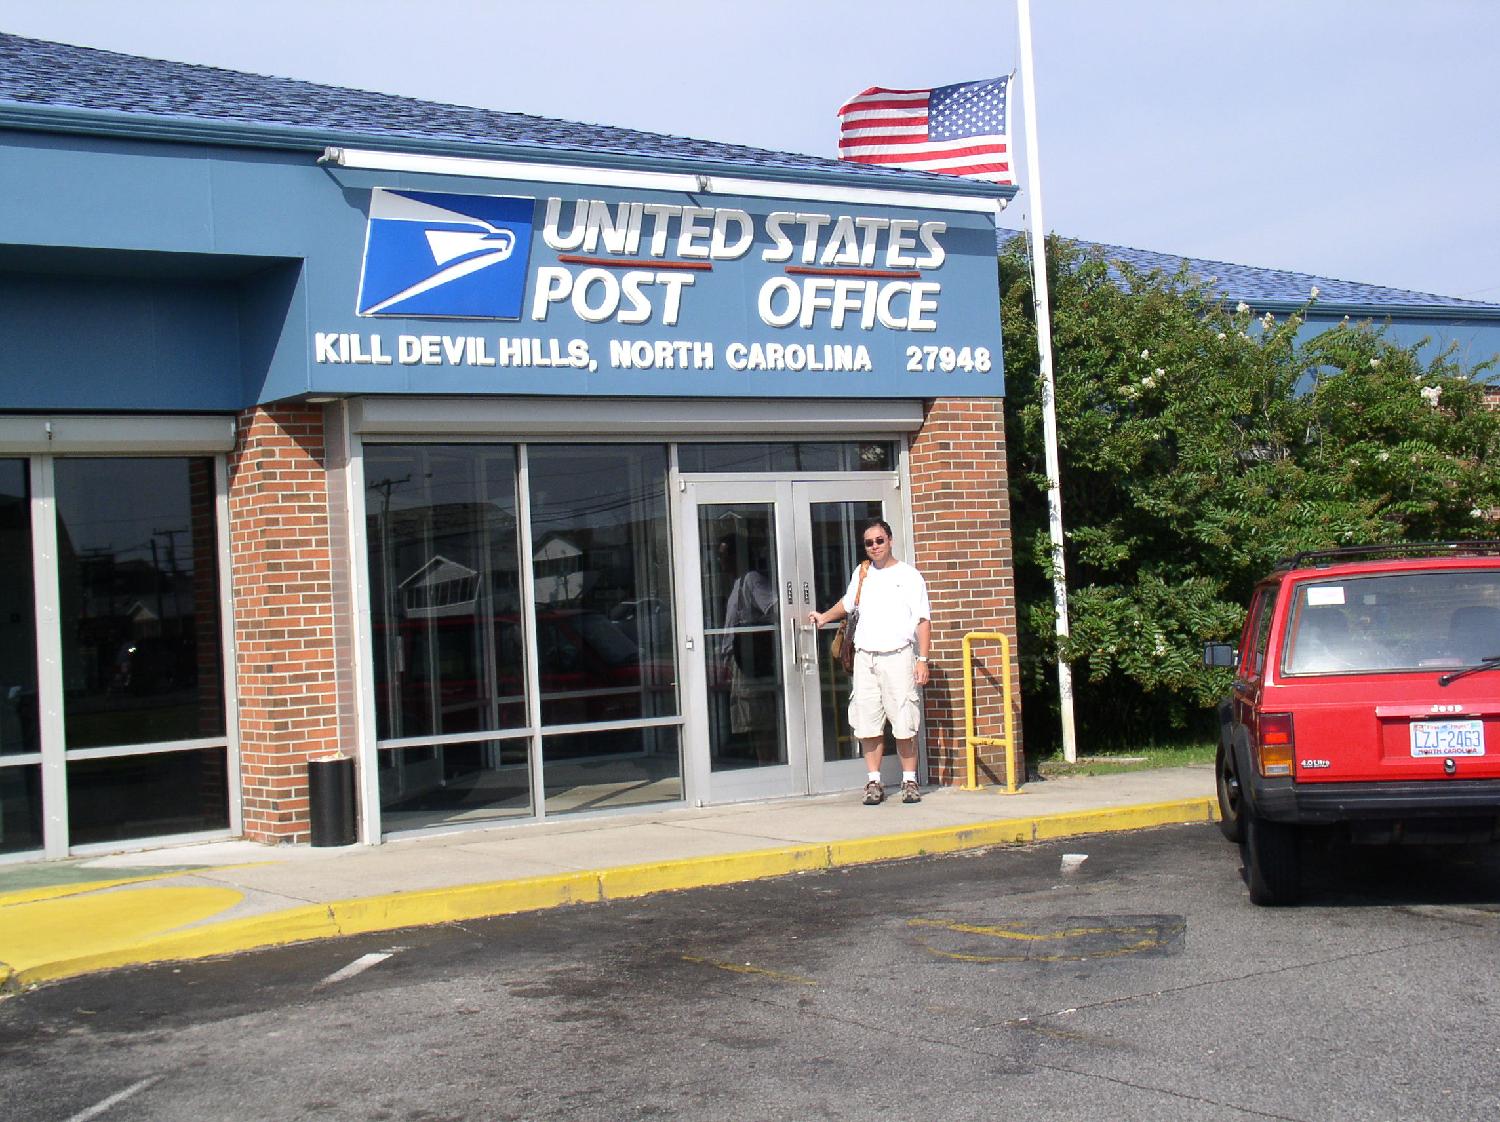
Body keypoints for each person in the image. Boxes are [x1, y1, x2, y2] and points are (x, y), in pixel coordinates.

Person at [806, 519, 931, 804]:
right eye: (869, 543)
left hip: (898, 656)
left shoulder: (909, 576)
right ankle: (874, 782)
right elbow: (849, 603)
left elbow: (923, 620)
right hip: (865, 658)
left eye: (879, 540)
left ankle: (909, 781)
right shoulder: (862, 573)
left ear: (890, 540)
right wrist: (824, 617)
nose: (874, 547)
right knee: (867, 723)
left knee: (904, 722)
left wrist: (922, 659)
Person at [718, 532, 781, 764]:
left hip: (751, 663)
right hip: (738, 662)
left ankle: (770, 763)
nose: (722, 562)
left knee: (759, 718)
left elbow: (776, 608)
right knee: (750, 720)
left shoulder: (752, 580)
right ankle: (762, 762)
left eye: (725, 556)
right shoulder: (737, 584)